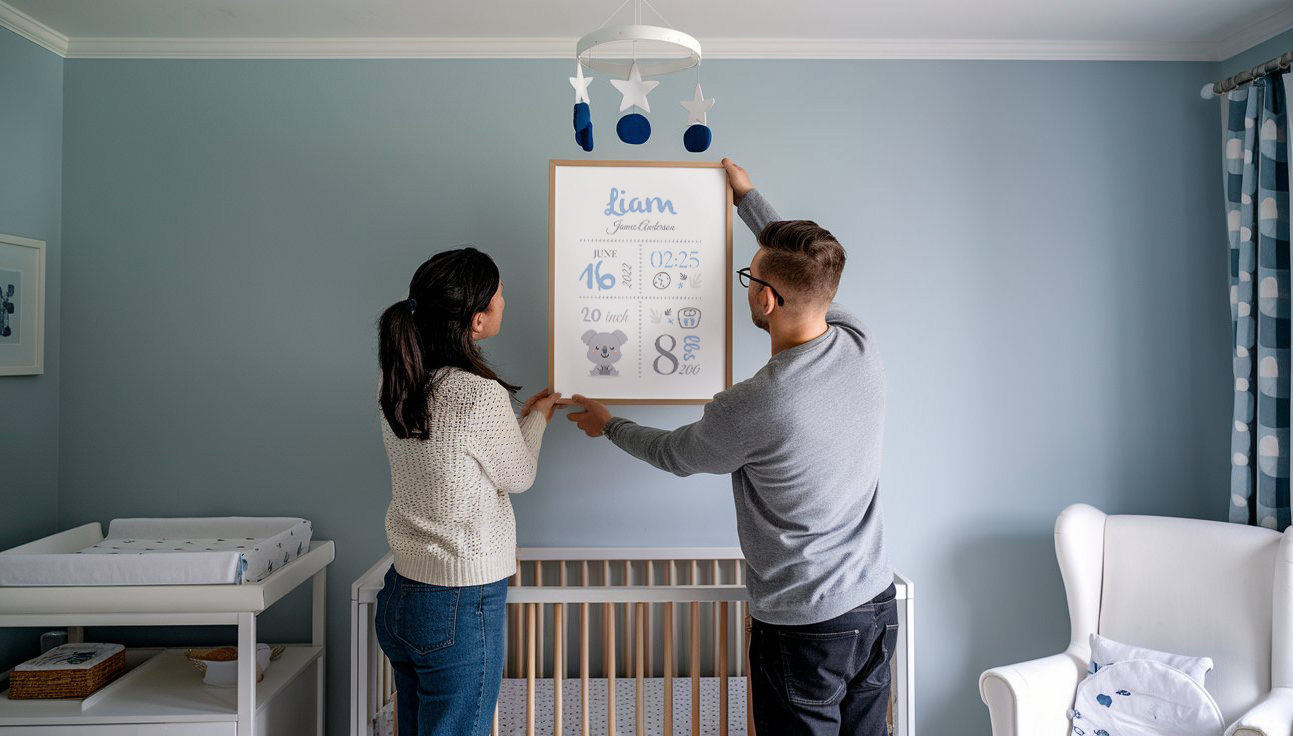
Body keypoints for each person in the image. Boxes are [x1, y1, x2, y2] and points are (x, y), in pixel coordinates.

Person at [566, 159, 894, 735]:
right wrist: (748, 199)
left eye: (749, 278)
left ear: (765, 300)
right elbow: (810, 268)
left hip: (805, 625)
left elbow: (675, 454)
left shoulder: (757, 402)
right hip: (875, 604)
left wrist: (610, 425)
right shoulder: (857, 342)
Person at [374, 246, 562, 736]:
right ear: (476, 321)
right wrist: (538, 420)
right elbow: (517, 475)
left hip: (402, 592)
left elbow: (460, 452)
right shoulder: (475, 392)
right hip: (458, 598)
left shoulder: (397, 381)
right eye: (499, 295)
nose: (507, 298)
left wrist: (523, 417)